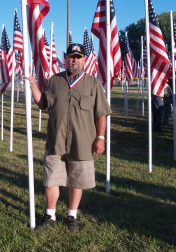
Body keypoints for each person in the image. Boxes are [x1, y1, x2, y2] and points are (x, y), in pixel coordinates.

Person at [26, 43, 112, 230]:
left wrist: (101, 138)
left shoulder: (93, 84)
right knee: (51, 180)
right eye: (71, 56)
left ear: (84, 59)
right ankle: (50, 215)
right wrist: (33, 84)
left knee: (77, 181)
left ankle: (72, 215)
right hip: (55, 141)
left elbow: (101, 114)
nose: (74, 59)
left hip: (82, 142)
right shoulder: (54, 81)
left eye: (78, 56)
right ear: (65, 59)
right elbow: (43, 104)